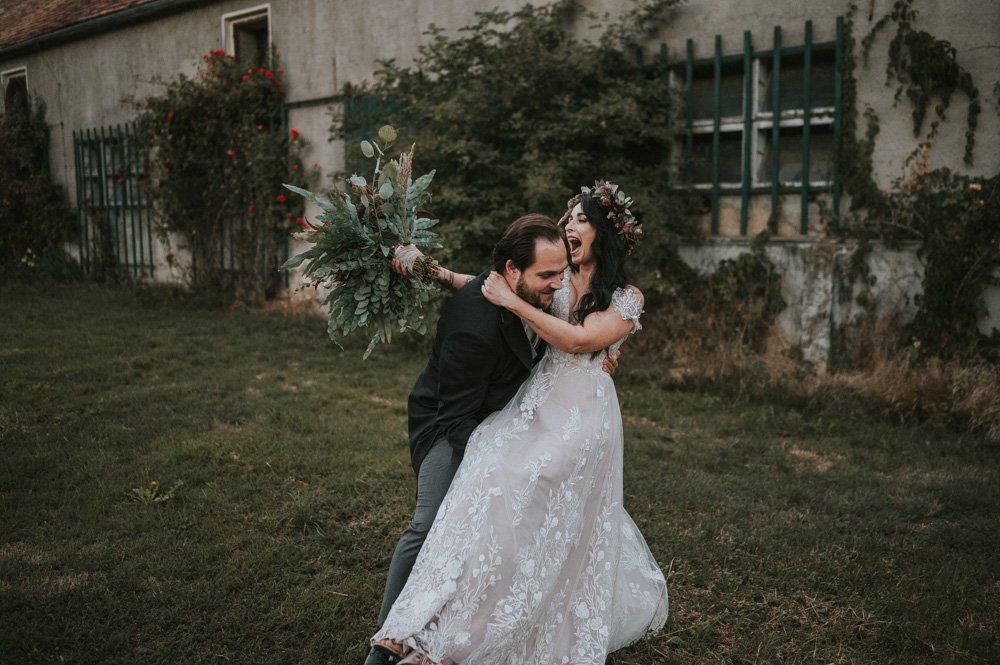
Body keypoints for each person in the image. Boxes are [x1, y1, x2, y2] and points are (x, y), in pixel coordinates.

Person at [369, 182, 668, 664]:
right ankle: (433, 618)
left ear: (606, 232)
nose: (569, 226)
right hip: (536, 401)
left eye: (581, 219)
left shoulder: (626, 296)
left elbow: (576, 340)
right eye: (568, 217)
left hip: (583, 416)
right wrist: (430, 269)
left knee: (532, 489)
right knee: (493, 485)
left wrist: (513, 305)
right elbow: (500, 282)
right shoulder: (558, 276)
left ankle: (495, 621)